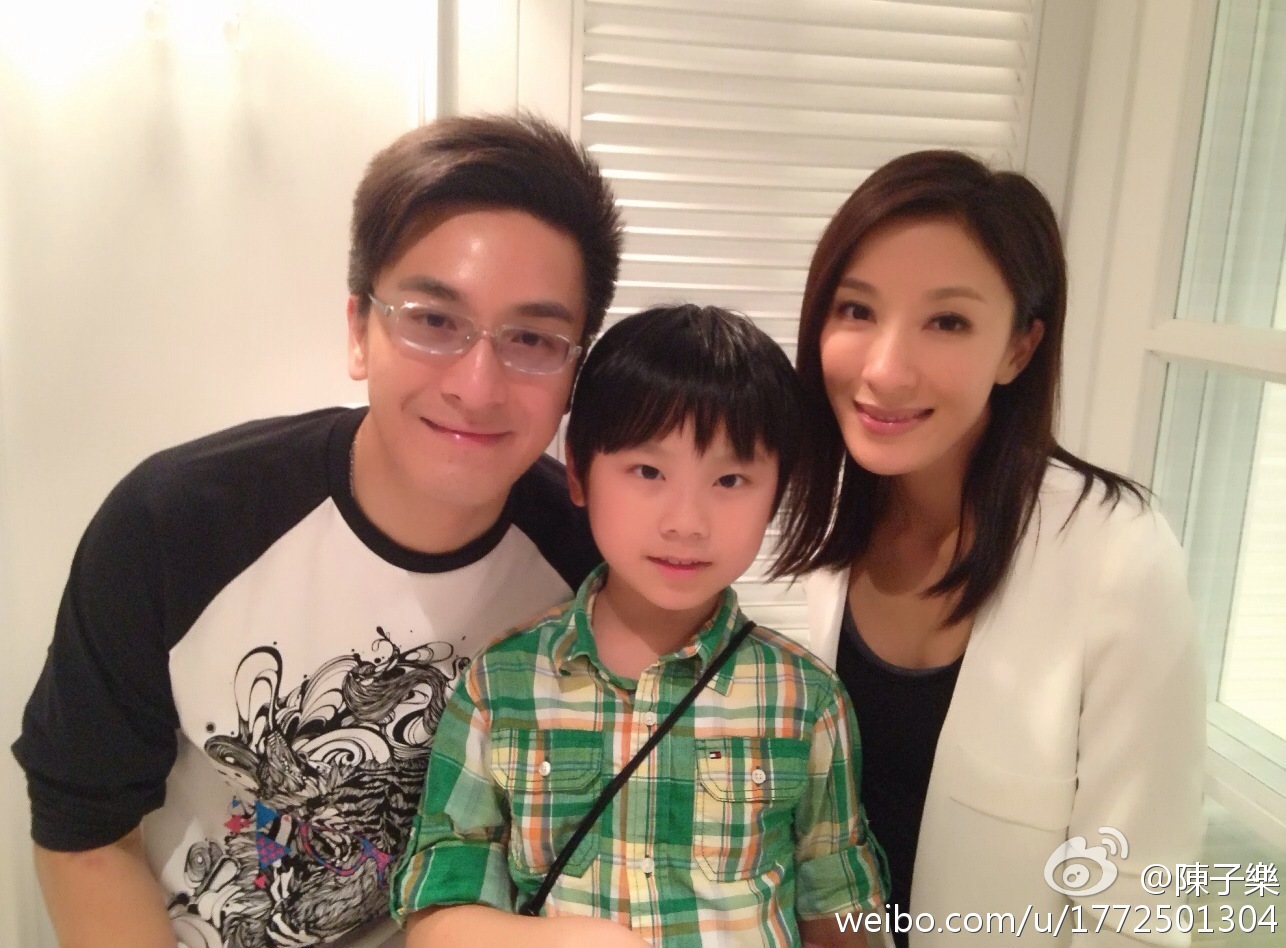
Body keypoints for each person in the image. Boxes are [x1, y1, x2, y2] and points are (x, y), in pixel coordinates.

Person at [13, 113, 622, 948]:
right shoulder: (176, 524)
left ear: (574, 372)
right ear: (358, 330)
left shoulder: (597, 564)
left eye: (532, 339)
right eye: (433, 320)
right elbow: (84, 833)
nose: (477, 387)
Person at [773, 150, 1205, 946]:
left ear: (1019, 348)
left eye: (947, 321)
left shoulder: (1116, 553)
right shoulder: (835, 535)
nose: (885, 370)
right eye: (857, 310)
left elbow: (1137, 903)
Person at [390, 304, 887, 948]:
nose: (686, 522)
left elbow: (842, 909)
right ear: (578, 472)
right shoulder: (502, 684)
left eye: (730, 479)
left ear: (777, 493)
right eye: (648, 472)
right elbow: (435, 911)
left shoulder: (807, 698)